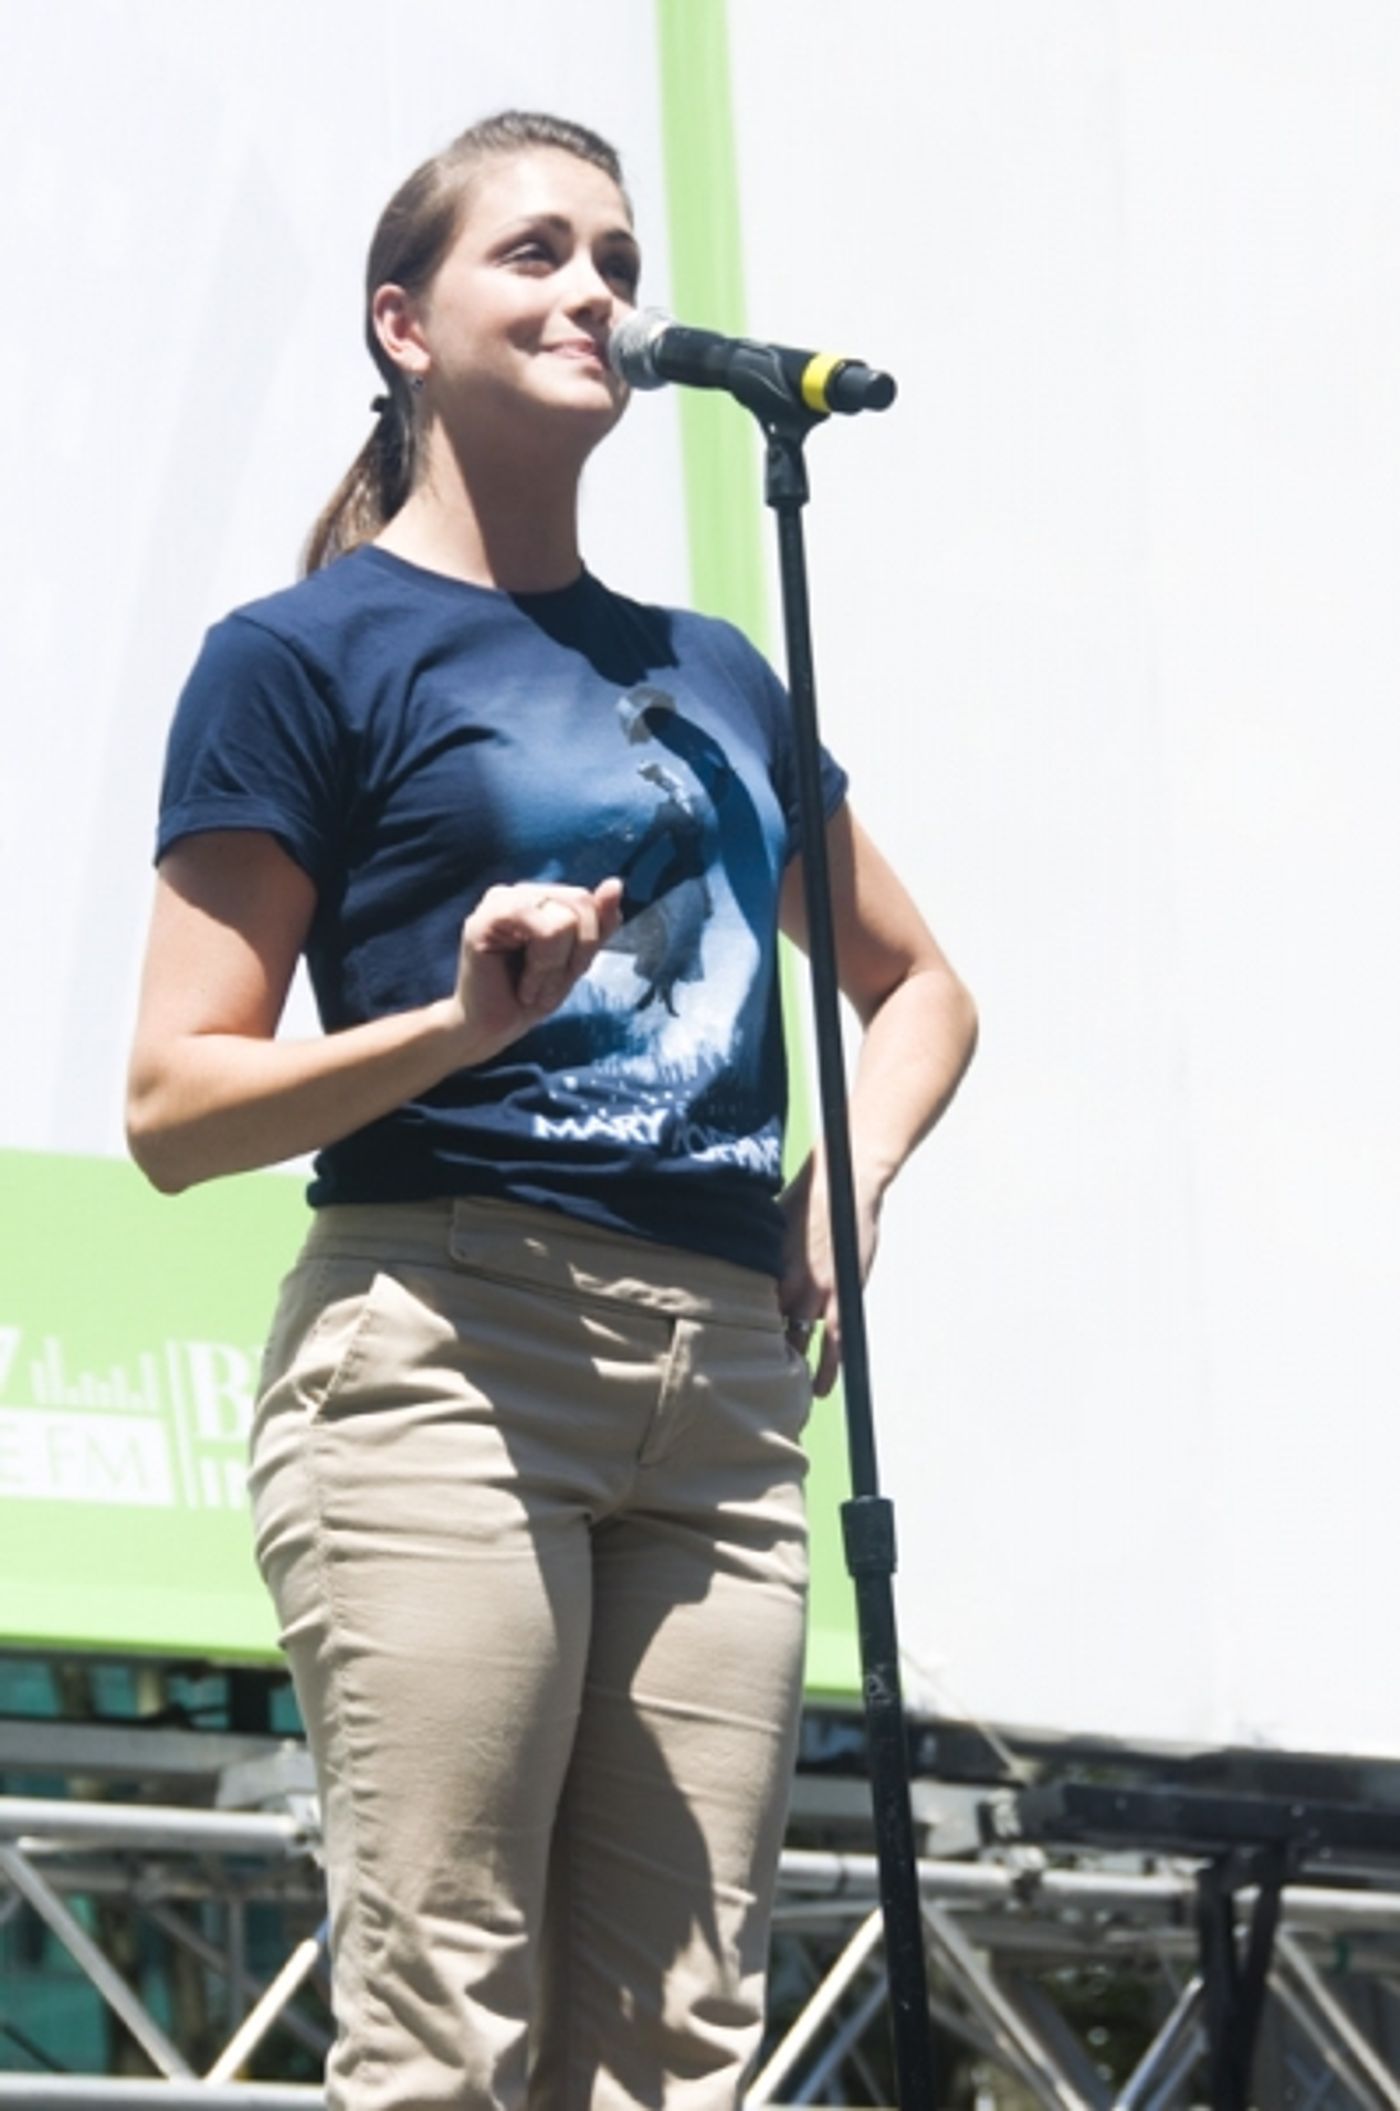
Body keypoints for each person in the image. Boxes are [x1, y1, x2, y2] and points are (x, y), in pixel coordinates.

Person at [127, 109, 976, 2111]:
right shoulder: (301, 658)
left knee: (681, 2037)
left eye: (616, 260)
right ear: (402, 326)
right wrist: (455, 1020)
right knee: (450, 2026)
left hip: (725, 1391)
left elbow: (922, 989)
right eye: (535, 253)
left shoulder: (715, 670)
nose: (594, 290)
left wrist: (843, 1188)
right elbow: (176, 1105)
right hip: (450, 1354)